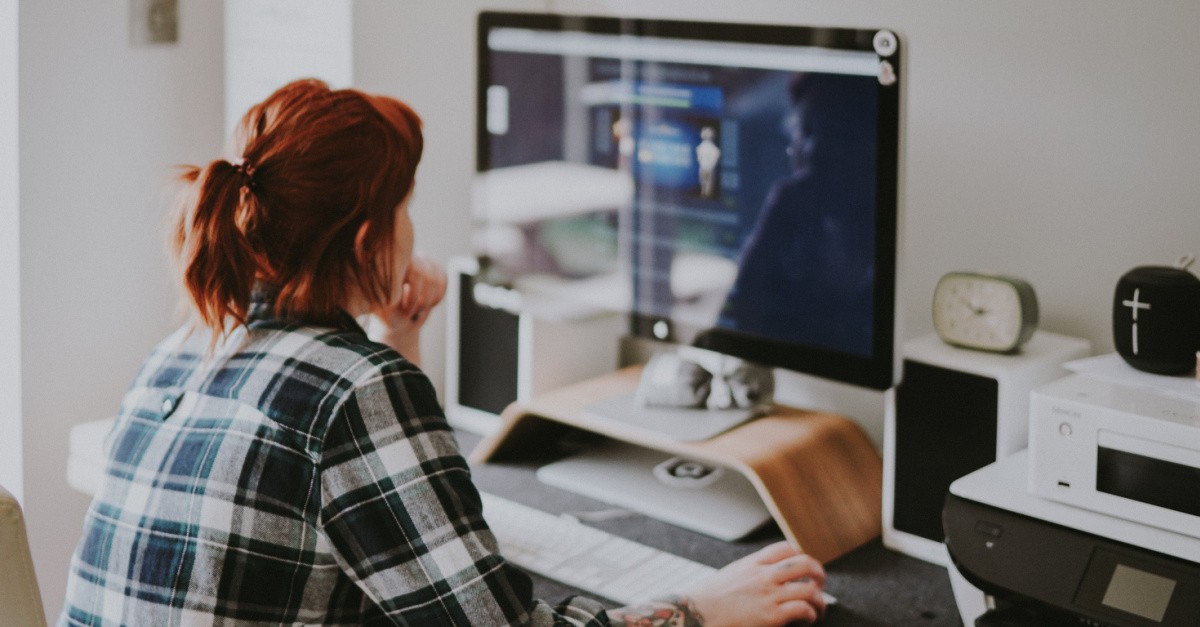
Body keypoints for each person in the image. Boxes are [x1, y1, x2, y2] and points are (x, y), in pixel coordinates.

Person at [60, 79, 828, 626]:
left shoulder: (186, 345)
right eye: (406, 209)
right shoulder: (354, 391)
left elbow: (379, 507)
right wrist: (704, 609)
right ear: (369, 240)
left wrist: (399, 338)